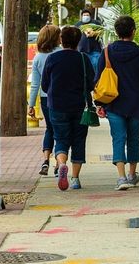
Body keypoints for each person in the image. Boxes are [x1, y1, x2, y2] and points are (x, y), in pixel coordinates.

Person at [94, 16, 139, 191]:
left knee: (118, 138)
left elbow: (98, 80)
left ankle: (121, 177)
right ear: (133, 31)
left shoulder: (107, 52)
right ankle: (133, 175)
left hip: (114, 104)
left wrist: (99, 104)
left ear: (117, 32)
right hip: (136, 104)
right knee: (133, 139)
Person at [41, 26, 95, 191]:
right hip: (80, 106)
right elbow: (91, 83)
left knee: (61, 139)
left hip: (57, 106)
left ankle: (62, 164)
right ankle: (75, 179)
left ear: (61, 40)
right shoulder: (83, 59)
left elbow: (44, 84)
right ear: (78, 41)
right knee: (79, 140)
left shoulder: (52, 59)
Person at [28, 25, 61, 177]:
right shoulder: (62, 53)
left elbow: (35, 84)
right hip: (61, 96)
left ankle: (46, 160)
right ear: (55, 38)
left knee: (50, 128)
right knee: (61, 129)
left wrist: (31, 105)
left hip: (44, 97)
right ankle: (60, 163)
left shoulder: (38, 58)